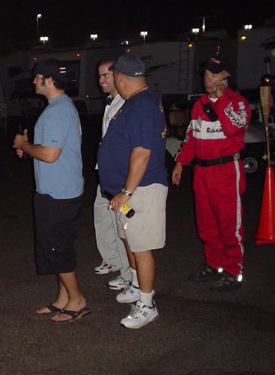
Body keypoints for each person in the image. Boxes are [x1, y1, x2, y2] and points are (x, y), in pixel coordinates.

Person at [13, 58, 89, 323]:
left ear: (50, 79)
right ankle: (63, 299)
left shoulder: (58, 111)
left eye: (38, 77)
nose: (34, 80)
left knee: (58, 249)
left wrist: (26, 144)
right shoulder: (60, 107)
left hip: (59, 194)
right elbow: (48, 151)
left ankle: (77, 300)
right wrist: (29, 148)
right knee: (57, 247)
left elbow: (49, 154)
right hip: (57, 191)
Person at [98, 53, 168, 329]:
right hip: (126, 191)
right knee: (129, 241)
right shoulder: (135, 103)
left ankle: (147, 304)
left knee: (141, 248)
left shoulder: (142, 106)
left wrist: (126, 192)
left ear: (121, 78)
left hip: (141, 189)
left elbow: (142, 153)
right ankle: (138, 287)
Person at [172, 56, 250, 292]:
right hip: (202, 172)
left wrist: (221, 100)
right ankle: (213, 265)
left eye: (213, 75)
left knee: (229, 224)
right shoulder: (199, 104)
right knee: (206, 224)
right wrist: (180, 163)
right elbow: (191, 137)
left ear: (225, 78)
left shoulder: (237, 102)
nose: (207, 79)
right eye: (206, 75)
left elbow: (234, 128)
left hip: (226, 171)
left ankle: (233, 270)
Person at [93, 59, 134, 293]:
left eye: (106, 75)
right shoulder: (111, 103)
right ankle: (115, 261)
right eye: (99, 76)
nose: (101, 81)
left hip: (119, 178)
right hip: (105, 175)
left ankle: (129, 275)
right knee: (103, 217)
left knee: (123, 226)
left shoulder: (126, 104)